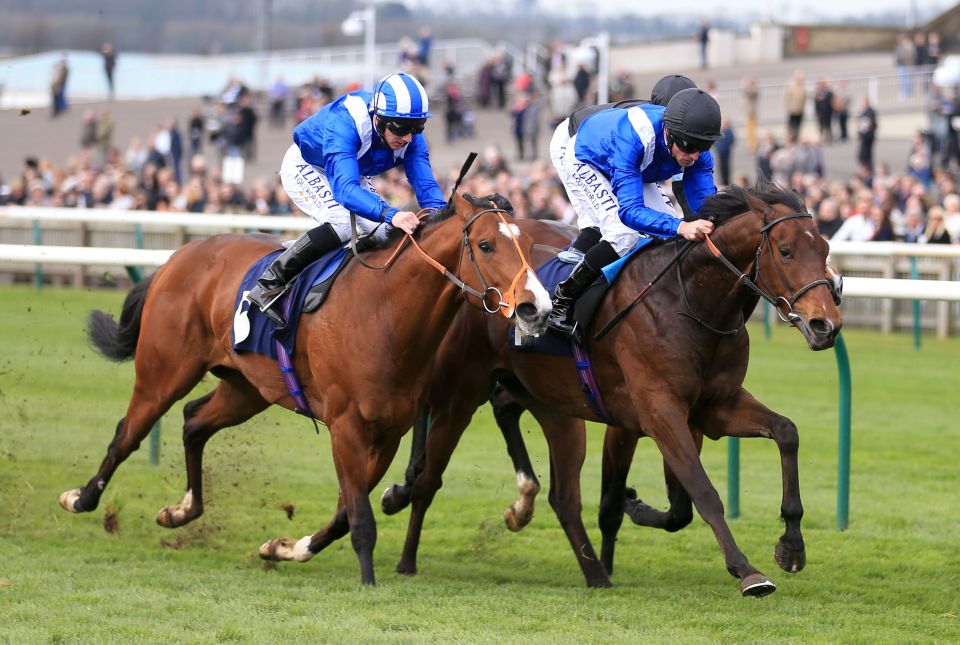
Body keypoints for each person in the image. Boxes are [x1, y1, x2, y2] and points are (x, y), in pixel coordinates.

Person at [246, 72, 446, 324]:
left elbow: (426, 186)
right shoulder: (347, 120)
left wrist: (444, 220)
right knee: (341, 223)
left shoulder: (410, 136)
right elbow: (344, 190)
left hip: (351, 171)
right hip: (308, 166)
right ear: (378, 118)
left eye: (416, 128)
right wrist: (392, 214)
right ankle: (269, 283)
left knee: (386, 234)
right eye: (400, 128)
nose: (407, 137)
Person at [546, 87, 720, 336]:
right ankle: (563, 300)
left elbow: (703, 204)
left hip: (637, 164)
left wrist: (711, 221)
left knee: (668, 230)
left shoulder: (696, 149)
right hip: (587, 157)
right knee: (622, 233)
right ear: (669, 132)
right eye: (688, 146)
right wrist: (682, 226)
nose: (693, 155)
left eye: (702, 147)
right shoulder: (635, 136)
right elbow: (630, 212)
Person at [857, 96, 878, 175]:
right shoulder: (866, 111)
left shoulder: (870, 112)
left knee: (866, 154)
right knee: (864, 154)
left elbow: (869, 124)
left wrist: (862, 129)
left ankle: (867, 170)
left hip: (867, 137)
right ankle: (864, 169)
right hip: (865, 136)